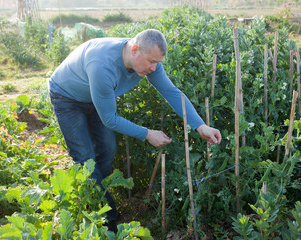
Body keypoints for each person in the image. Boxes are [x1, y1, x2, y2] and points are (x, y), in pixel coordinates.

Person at [48, 29, 221, 232]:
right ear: (135, 49)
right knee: (85, 157)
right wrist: (148, 134)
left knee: (108, 149)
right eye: (150, 61)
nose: (154, 68)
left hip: (97, 96)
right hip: (67, 97)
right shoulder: (102, 66)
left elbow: (171, 92)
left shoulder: (149, 64)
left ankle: (93, 192)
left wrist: (201, 126)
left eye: (157, 62)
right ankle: (107, 219)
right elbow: (110, 119)